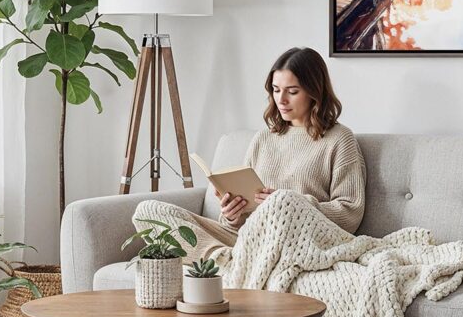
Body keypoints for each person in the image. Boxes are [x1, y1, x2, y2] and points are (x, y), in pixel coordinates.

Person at [132, 46, 366, 265]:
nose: (281, 100)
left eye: (292, 92)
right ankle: (223, 260)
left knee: (283, 201)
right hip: (248, 239)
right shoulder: (263, 138)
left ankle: (230, 264)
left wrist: (290, 203)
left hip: (299, 241)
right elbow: (237, 225)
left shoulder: (339, 139)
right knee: (148, 210)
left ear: (315, 92)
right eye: (276, 90)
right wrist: (233, 215)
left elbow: (350, 214)